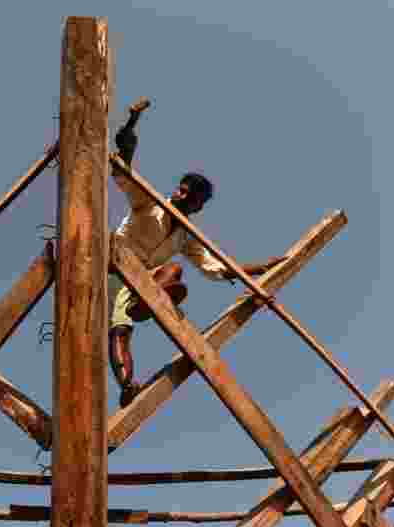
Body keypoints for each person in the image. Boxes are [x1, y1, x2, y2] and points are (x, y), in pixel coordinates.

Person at [108, 99, 286, 407]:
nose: (181, 193)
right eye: (181, 188)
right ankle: (126, 381)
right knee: (120, 330)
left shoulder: (185, 236)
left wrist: (260, 268)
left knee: (175, 273)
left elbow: (214, 266)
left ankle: (144, 304)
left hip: (138, 282)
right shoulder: (149, 203)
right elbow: (123, 170)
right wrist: (131, 125)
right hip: (112, 269)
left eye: (189, 194)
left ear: (197, 206)